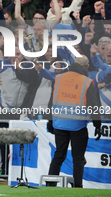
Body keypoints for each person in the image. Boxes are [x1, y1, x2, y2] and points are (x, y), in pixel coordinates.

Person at [47, 55, 101, 188]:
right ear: (87, 67)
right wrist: (97, 125)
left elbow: (51, 101)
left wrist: (50, 121)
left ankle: (50, 184)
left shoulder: (58, 78)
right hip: (78, 126)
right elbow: (93, 106)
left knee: (59, 154)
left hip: (60, 124)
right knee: (78, 158)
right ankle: (77, 187)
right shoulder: (87, 82)